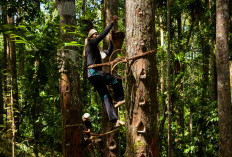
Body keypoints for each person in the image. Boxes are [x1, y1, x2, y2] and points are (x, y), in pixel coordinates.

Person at [85, 15, 125, 126]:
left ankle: (115, 120)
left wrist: (112, 42)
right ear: (91, 37)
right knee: (116, 78)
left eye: (96, 34)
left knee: (105, 96)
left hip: (93, 75)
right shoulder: (91, 43)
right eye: (95, 34)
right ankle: (119, 98)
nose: (96, 35)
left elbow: (107, 53)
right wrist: (112, 23)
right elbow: (103, 35)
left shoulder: (96, 49)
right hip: (94, 72)